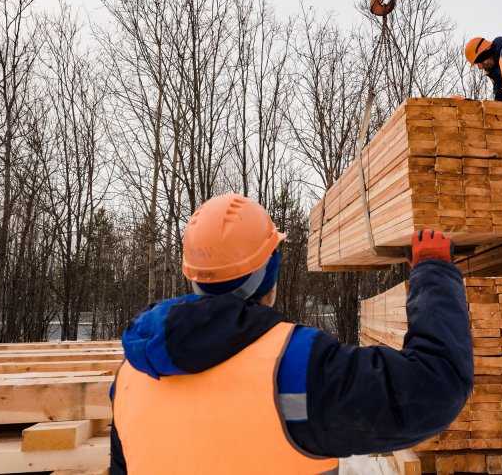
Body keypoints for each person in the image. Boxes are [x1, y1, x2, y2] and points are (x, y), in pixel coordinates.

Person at [110, 193, 474, 474]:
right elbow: (435, 387)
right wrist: (434, 273)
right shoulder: (296, 367)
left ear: (191, 273)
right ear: (268, 274)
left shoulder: (131, 375)